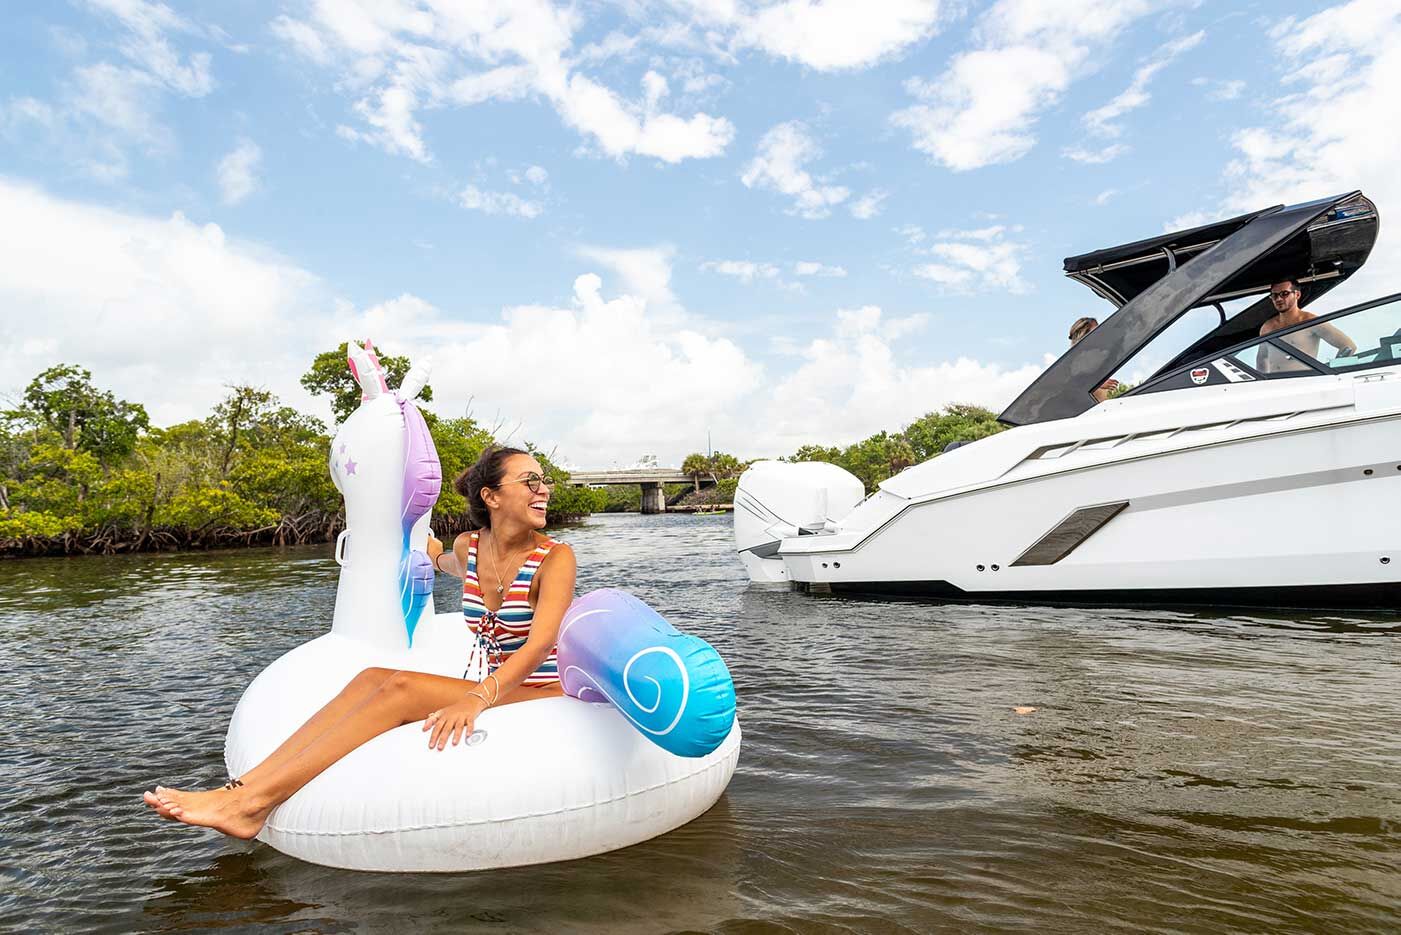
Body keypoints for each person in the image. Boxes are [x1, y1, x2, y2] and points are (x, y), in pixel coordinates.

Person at [142, 446, 576, 839]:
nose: (544, 490)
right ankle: (241, 790)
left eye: (544, 481)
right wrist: (427, 552)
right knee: (371, 677)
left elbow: (540, 644)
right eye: (531, 481)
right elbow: (448, 563)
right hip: (502, 684)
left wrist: (475, 700)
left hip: (544, 688)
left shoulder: (556, 558)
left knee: (399, 686)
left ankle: (251, 804)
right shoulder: (471, 547)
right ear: (491, 496)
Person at [1256, 278, 1356, 373]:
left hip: (1303, 385)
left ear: (1297, 295)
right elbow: (1262, 358)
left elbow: (1349, 346)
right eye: (1274, 295)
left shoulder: (1310, 322)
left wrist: (1331, 373)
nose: (1278, 298)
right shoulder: (1267, 327)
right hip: (1275, 386)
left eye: (1284, 293)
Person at [1068, 316, 1120, 403]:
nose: (1100, 333)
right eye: (1096, 330)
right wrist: (1097, 384)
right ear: (1084, 334)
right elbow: (1073, 383)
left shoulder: (1099, 353)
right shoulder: (1077, 358)